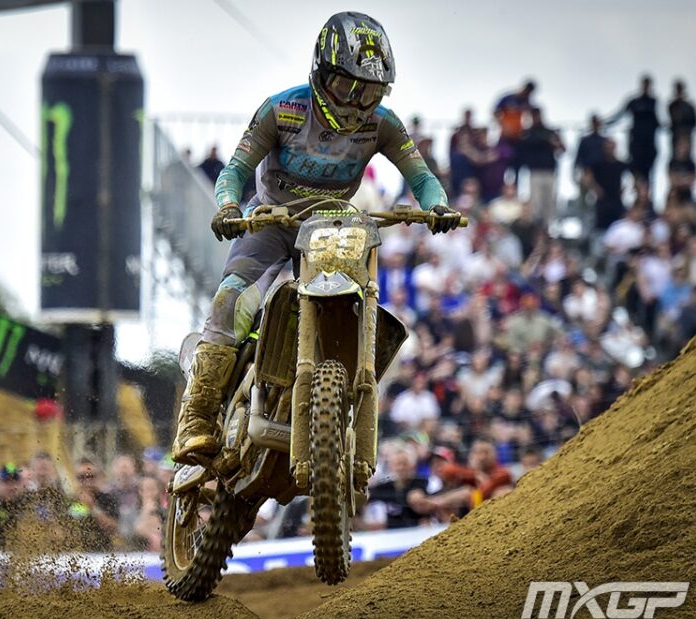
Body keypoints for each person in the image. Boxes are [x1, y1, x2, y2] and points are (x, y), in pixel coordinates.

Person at [172, 12, 461, 465]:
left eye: (370, 92)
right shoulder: (281, 110)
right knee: (231, 300)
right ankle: (198, 416)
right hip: (270, 223)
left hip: (330, 229)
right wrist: (228, 206)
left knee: (359, 304)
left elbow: (422, 177)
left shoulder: (383, 123)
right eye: (348, 87)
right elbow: (234, 171)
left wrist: (438, 206)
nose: (357, 104)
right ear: (322, 75)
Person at [606, 75, 660, 182]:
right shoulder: (634, 102)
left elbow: (659, 121)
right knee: (636, 172)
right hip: (636, 144)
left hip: (649, 145)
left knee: (648, 175)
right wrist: (604, 123)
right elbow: (619, 115)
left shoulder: (654, 102)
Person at [519, 107, 564, 224]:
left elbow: (562, 149)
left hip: (549, 172)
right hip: (535, 172)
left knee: (550, 203)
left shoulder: (550, 132)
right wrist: (547, 141)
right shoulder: (528, 133)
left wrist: (556, 142)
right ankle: (536, 228)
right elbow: (529, 144)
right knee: (536, 203)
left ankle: (548, 227)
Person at [493, 79, 536, 183]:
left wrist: (525, 130)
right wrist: (504, 126)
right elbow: (495, 112)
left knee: (517, 166)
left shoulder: (526, 102)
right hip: (505, 137)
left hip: (518, 139)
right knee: (501, 164)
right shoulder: (508, 98)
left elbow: (530, 117)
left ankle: (515, 188)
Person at [668, 79, 696, 154]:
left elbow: (694, 123)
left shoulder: (689, 107)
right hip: (676, 136)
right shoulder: (672, 106)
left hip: (686, 135)